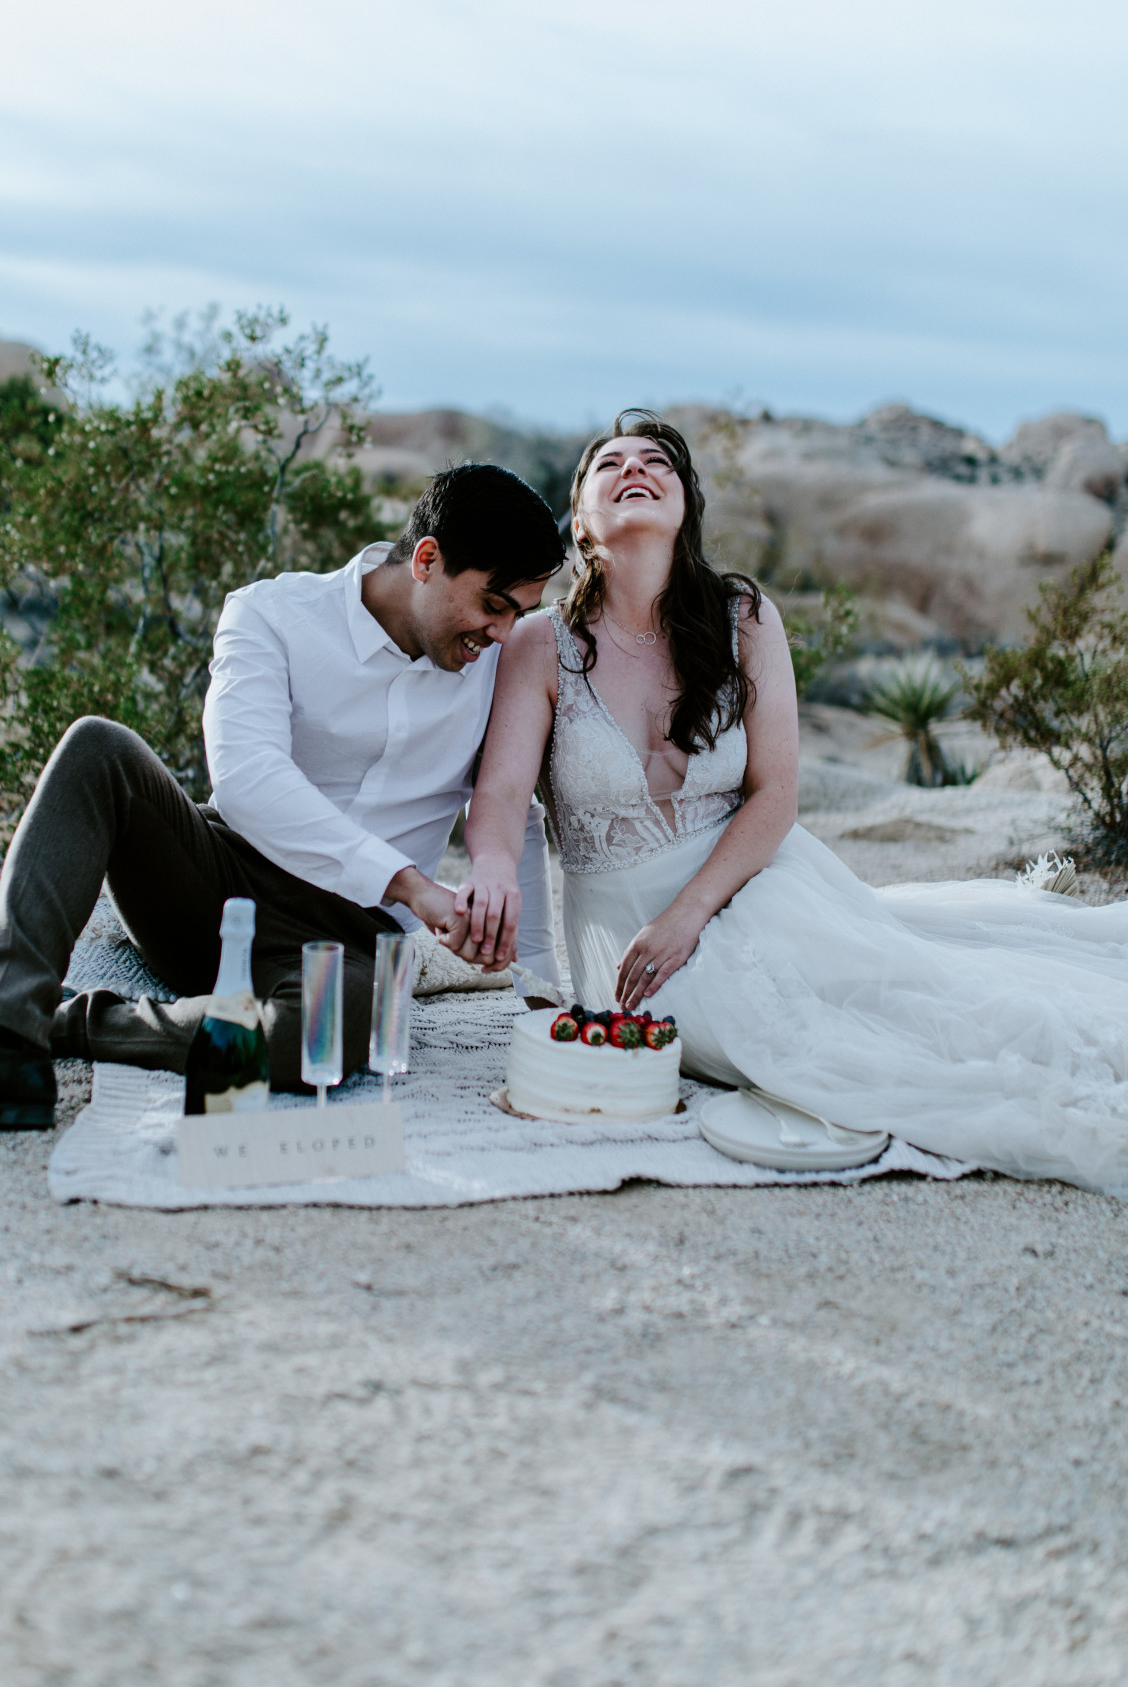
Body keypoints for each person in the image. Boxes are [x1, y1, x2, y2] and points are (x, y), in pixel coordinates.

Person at [458, 409, 1128, 1196]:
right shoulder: (542, 643)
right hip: (622, 935)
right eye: (610, 464)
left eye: (658, 463)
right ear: (579, 516)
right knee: (768, 1032)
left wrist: (691, 913)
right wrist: (493, 871)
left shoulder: (744, 617)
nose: (635, 469)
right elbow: (501, 793)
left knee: (919, 1010)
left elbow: (776, 796)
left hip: (753, 879)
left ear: (686, 507)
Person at [0, 464, 565, 1129]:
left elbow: (508, 809)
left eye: (519, 614)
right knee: (98, 746)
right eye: (493, 604)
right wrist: (414, 885)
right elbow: (246, 777)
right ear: (427, 560)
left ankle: (59, 1023)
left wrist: (541, 999)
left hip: (356, 938)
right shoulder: (271, 613)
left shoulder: (495, 667)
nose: (502, 634)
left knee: (323, 1041)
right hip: (220, 884)